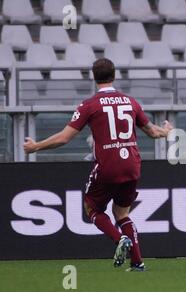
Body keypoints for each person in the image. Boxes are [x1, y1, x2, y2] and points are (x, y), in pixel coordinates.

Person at [23, 58, 173, 271]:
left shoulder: (89, 105)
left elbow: (64, 138)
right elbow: (152, 131)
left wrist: (36, 146)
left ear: (94, 78)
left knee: (91, 207)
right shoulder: (130, 102)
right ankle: (138, 262)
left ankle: (119, 239)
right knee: (122, 214)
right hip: (132, 165)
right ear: (114, 75)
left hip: (108, 165)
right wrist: (167, 131)